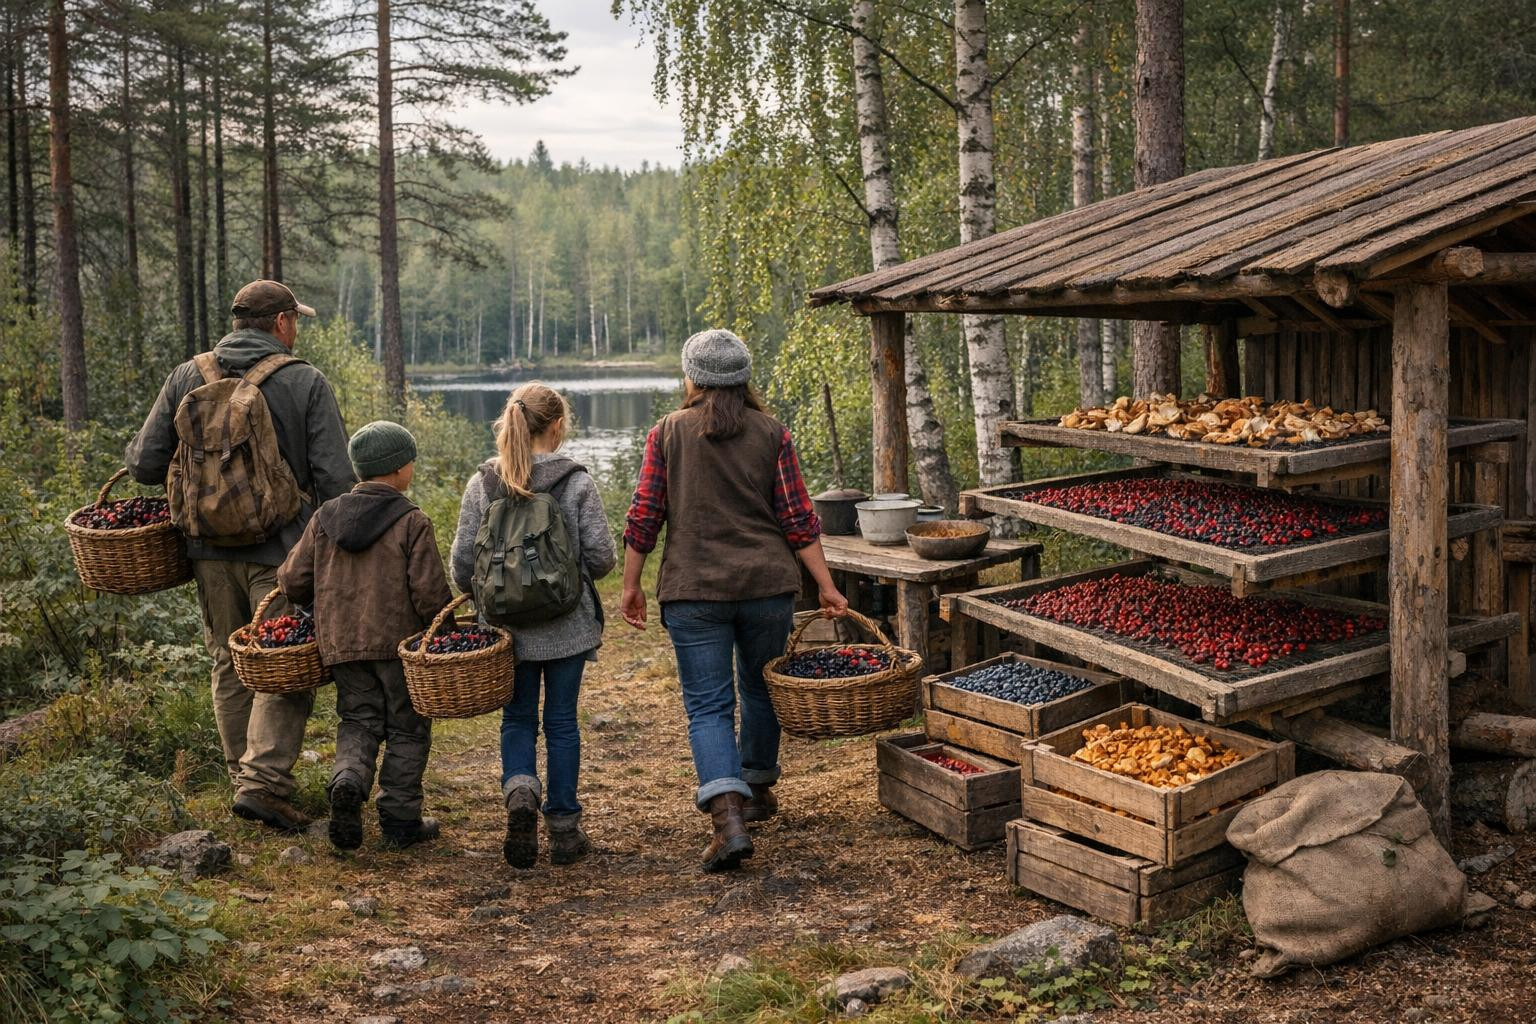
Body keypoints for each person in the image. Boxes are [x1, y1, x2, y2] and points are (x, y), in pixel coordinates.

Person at [126, 280, 354, 832]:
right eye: (294, 320)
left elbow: (143, 465)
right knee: (282, 665)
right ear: (279, 324)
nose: (295, 328)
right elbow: (337, 481)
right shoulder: (304, 381)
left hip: (206, 551)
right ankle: (264, 786)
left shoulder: (189, 375)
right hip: (283, 552)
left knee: (228, 661)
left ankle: (241, 779)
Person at [620, 328, 848, 873]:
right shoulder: (772, 432)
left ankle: (729, 820)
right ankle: (759, 789)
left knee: (708, 705)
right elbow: (799, 519)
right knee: (760, 687)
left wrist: (631, 584)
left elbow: (644, 514)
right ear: (744, 379)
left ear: (692, 378)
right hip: (768, 586)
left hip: (694, 590)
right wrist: (826, 583)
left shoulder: (667, 432)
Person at [451, 383, 616, 868]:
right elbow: (603, 556)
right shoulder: (576, 482)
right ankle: (564, 829)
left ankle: (521, 791)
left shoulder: (484, 482)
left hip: (507, 631)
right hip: (568, 627)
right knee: (562, 722)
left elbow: (463, 565)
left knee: (518, 718)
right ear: (558, 426)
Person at [277, 421, 452, 851]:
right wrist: (444, 633)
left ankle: (348, 782)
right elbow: (429, 592)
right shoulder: (411, 521)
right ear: (396, 469)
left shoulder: (325, 517)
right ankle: (399, 820)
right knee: (408, 729)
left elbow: (293, 581)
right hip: (399, 647)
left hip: (340, 645)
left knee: (358, 720)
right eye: (410, 460)